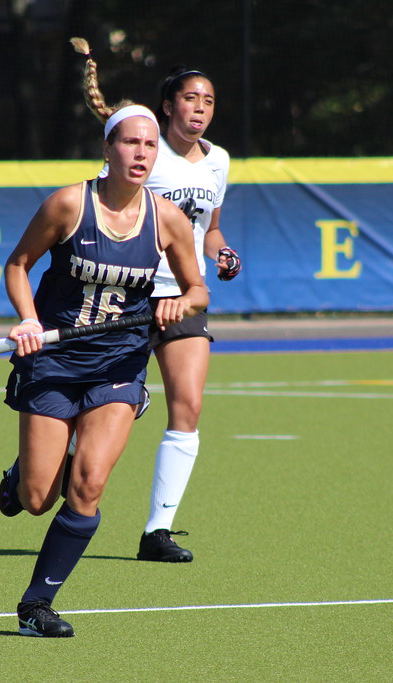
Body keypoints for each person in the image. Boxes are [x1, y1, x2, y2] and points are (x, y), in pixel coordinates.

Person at [0, 101, 208, 637]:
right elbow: (18, 264)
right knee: (38, 499)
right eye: (130, 143)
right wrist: (26, 318)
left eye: (149, 145)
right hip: (52, 361)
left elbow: (198, 288)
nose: (141, 153)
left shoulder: (168, 219)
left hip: (118, 362)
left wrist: (180, 303)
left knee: (88, 486)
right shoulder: (69, 204)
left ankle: (36, 606)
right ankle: (21, 475)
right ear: (107, 149)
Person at [72, 38, 242, 563]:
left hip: (183, 301)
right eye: (191, 98)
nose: (200, 109)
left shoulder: (219, 162)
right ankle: (34, 467)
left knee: (187, 405)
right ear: (168, 106)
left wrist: (223, 252)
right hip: (125, 297)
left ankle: (157, 532)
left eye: (208, 101)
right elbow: (99, 208)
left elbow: (207, 231)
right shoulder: (144, 152)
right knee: (88, 409)